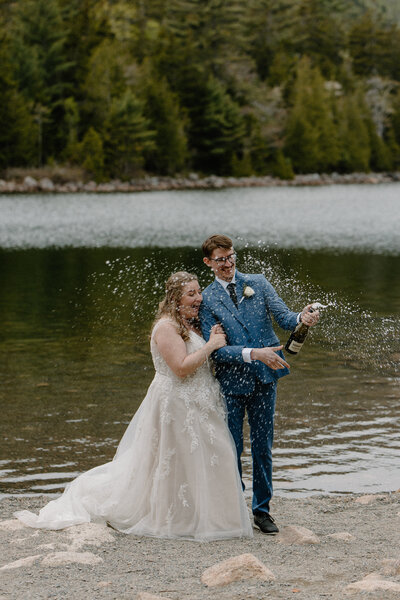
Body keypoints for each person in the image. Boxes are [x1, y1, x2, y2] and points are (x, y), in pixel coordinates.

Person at [15, 271, 253, 541]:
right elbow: (181, 369)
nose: (198, 298)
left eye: (198, 292)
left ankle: (214, 518)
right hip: (175, 403)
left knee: (209, 455)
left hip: (199, 403)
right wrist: (210, 346)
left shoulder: (190, 323)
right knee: (177, 460)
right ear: (175, 298)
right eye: (191, 293)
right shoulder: (166, 327)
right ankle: (179, 519)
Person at [199, 235, 319, 535]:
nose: (228, 264)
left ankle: (262, 510)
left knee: (263, 447)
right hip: (230, 382)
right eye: (221, 260)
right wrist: (254, 354)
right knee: (232, 447)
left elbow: (285, 318)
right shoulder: (207, 299)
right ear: (208, 262)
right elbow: (215, 349)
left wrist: (302, 318)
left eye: (230, 257)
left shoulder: (258, 283)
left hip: (266, 380)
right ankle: (235, 507)